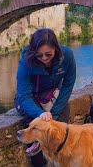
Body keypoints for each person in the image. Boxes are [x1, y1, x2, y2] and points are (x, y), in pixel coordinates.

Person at [14, 28, 76, 167]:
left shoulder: (67, 56)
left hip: (53, 95)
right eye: (39, 55)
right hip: (31, 99)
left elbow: (67, 86)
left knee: (61, 131)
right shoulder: (26, 61)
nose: (44, 59)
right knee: (36, 132)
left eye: (48, 54)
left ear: (56, 48)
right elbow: (23, 95)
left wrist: (52, 115)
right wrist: (40, 114)